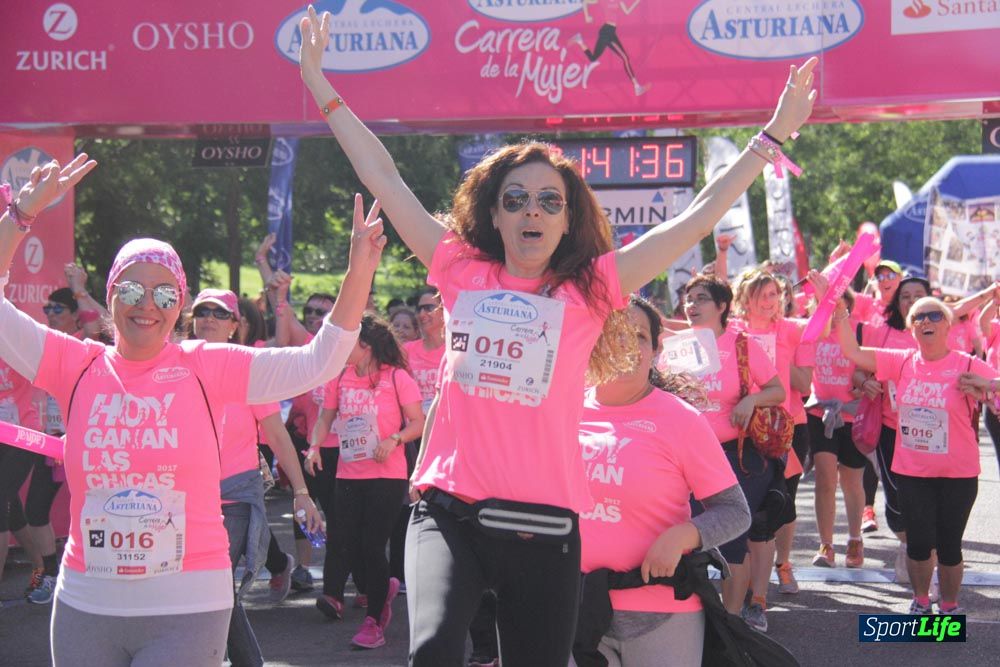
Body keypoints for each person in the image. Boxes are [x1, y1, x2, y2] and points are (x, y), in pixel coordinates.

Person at [299, 7, 816, 662]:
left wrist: (771, 135)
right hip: (449, 511)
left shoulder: (589, 289)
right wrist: (319, 82)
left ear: (567, 217)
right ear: (493, 213)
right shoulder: (460, 268)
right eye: (515, 199)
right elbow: (384, 176)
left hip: (545, 527)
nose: (532, 210)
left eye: (549, 199)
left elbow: (691, 219)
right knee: (430, 650)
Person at [0, 156, 384, 667]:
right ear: (110, 295)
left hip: (188, 604)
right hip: (86, 602)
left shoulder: (206, 365)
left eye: (164, 294)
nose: (147, 305)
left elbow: (318, 362)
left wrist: (358, 273)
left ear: (179, 303)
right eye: (132, 290)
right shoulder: (74, 362)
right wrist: (19, 216)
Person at [575, 295, 750, 666]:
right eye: (614, 333)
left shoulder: (680, 419)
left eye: (638, 336)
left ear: (655, 349)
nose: (625, 344)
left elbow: (735, 511)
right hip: (576, 606)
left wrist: (682, 536)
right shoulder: (564, 410)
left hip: (662, 610)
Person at [189, 288, 323, 666]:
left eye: (219, 313)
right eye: (202, 312)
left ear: (236, 325)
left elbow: (278, 435)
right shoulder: (176, 367)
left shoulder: (248, 370)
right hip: (185, 499)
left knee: (214, 588)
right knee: (201, 591)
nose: (209, 319)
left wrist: (301, 492)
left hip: (233, 497)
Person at [837, 297, 991, 614]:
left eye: (935, 315)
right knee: (919, 543)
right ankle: (921, 601)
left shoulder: (966, 363)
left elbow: (996, 382)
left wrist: (988, 384)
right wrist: (839, 312)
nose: (926, 322)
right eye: (918, 317)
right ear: (910, 327)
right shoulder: (902, 361)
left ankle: (949, 607)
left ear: (949, 324)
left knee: (949, 546)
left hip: (958, 473)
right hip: (912, 472)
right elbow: (853, 352)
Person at [308, 313, 424, 649]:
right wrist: (314, 446)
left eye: (347, 342)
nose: (340, 349)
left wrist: (394, 440)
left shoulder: (396, 377)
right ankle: (378, 587)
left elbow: (418, 421)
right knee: (346, 541)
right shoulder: (339, 378)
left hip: (386, 475)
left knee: (372, 545)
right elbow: (325, 418)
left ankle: (375, 620)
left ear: (366, 345)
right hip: (349, 472)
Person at [680, 274, 784, 618]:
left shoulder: (742, 344)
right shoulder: (678, 348)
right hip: (688, 459)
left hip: (736, 457)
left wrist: (752, 399)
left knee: (733, 542)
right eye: (688, 298)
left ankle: (733, 622)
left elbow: (777, 391)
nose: (691, 305)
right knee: (689, 539)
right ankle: (697, 620)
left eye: (700, 299)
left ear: (722, 306)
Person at [728, 267, 811, 629]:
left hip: (785, 428)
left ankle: (782, 565)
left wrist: (775, 364)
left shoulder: (791, 330)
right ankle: (750, 594)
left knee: (780, 508)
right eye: (762, 294)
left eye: (774, 294)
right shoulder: (732, 331)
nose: (769, 300)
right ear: (745, 298)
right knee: (748, 514)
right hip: (742, 430)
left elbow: (804, 383)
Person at [856, 276, 929, 583]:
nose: (911, 301)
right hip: (890, 429)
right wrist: (866, 382)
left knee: (927, 498)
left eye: (918, 295)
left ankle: (925, 557)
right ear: (897, 303)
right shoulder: (881, 333)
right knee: (897, 498)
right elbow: (858, 368)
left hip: (932, 434)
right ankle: (907, 543)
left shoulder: (940, 334)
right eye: (905, 296)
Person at [806, 289, 867, 570]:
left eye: (836, 303)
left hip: (852, 415)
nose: (829, 308)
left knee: (852, 481)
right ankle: (826, 544)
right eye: (823, 303)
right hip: (820, 413)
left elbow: (870, 365)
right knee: (825, 478)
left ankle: (854, 539)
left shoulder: (860, 330)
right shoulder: (810, 331)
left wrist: (863, 380)